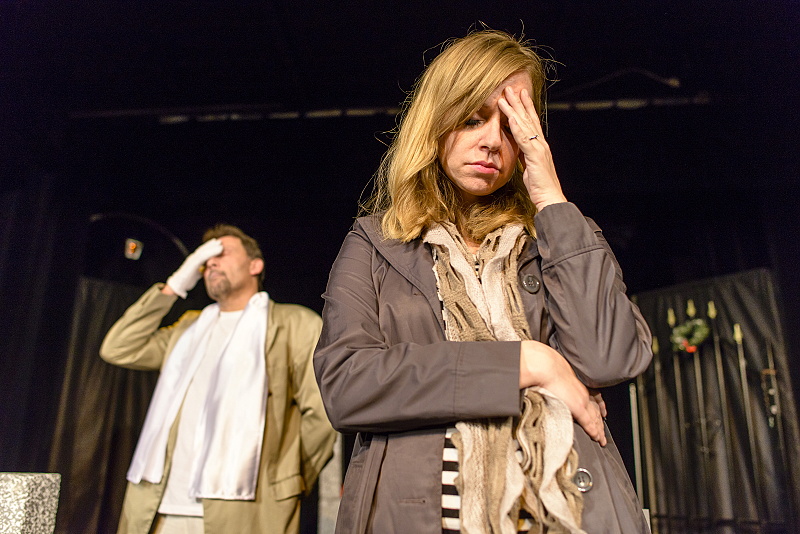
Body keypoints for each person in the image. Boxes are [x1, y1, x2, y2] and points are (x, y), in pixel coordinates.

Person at [314, 30, 653, 533]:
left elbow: (608, 358)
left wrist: (551, 197)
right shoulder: (376, 242)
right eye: (473, 119)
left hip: (564, 512)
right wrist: (527, 362)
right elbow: (348, 385)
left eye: (512, 127)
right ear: (436, 121)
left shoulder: (556, 235)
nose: (493, 141)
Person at [101, 224, 336, 534]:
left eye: (221, 253)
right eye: (204, 257)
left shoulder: (294, 323)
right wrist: (175, 284)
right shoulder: (188, 327)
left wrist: (283, 478)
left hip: (246, 511)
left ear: (255, 265)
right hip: (160, 509)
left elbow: (322, 414)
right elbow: (119, 348)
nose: (210, 261)